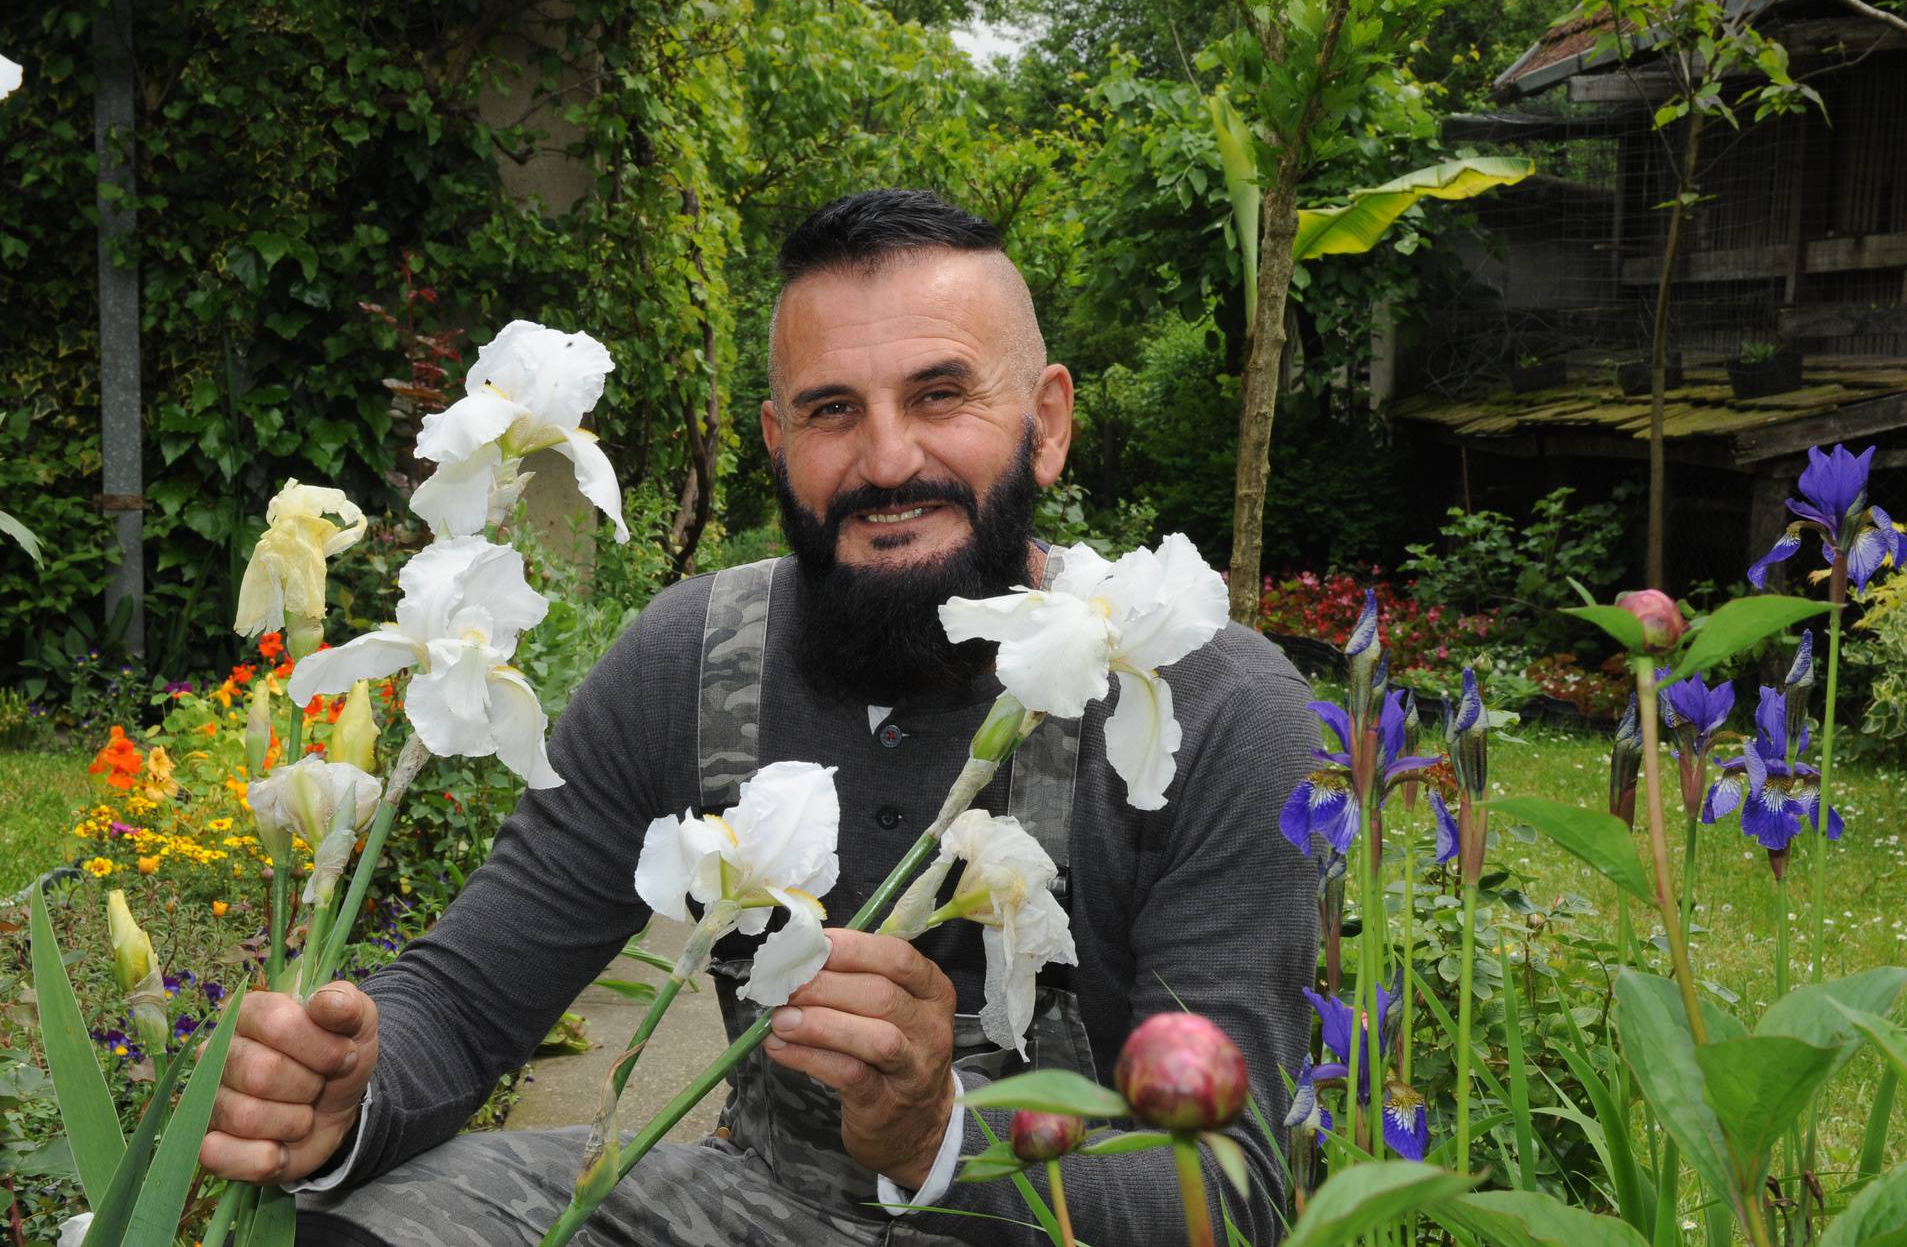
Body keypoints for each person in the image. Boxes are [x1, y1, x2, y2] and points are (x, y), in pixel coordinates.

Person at [200, 190, 1320, 1246]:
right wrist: (348, 1090)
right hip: (761, 1208)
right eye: (833, 410)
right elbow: (466, 996)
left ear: (1047, 422)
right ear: (778, 442)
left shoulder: (1217, 702)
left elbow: (1234, 1183)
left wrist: (945, 1144)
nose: (887, 460)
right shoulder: (693, 657)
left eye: (940, 395)